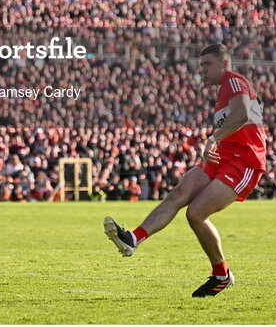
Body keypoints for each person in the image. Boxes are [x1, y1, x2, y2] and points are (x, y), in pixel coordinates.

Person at [103, 43, 266, 297]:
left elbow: (242, 114)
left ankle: (221, 275)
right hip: (222, 156)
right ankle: (133, 239)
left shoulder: (233, 81)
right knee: (179, 192)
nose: (203, 70)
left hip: (243, 160)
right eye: (201, 65)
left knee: (196, 213)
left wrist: (212, 138)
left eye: (207, 64)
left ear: (224, 64)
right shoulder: (223, 89)